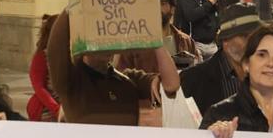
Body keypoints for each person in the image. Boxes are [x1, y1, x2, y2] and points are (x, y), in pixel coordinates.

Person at [45, 10, 180, 126]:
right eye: (99, 35)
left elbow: (172, 85)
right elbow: (55, 50)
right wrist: (76, 5)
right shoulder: (72, 82)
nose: (107, 42)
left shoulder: (129, 81)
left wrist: (155, 38)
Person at [180, 2, 259, 115]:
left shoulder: (269, 73)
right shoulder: (193, 79)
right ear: (225, 41)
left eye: (257, 36)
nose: (254, 42)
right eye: (245, 36)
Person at [116, 0, 200, 73]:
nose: (156, 8)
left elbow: (196, 72)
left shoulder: (186, 41)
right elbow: (122, 74)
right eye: (152, 3)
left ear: (172, 9)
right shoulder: (135, 43)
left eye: (162, 3)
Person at [27, 14, 61, 122]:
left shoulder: (68, 54)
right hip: (46, 109)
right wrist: (57, 109)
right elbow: (39, 88)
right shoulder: (41, 57)